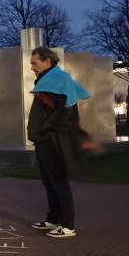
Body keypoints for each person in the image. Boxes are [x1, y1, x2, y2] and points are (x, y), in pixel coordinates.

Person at [27, 46, 101, 239]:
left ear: (47, 62)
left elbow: (64, 112)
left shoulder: (59, 81)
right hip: (43, 141)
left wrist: (42, 128)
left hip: (53, 141)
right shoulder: (47, 82)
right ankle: (53, 218)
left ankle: (67, 225)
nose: (32, 67)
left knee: (58, 182)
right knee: (48, 182)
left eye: (34, 63)